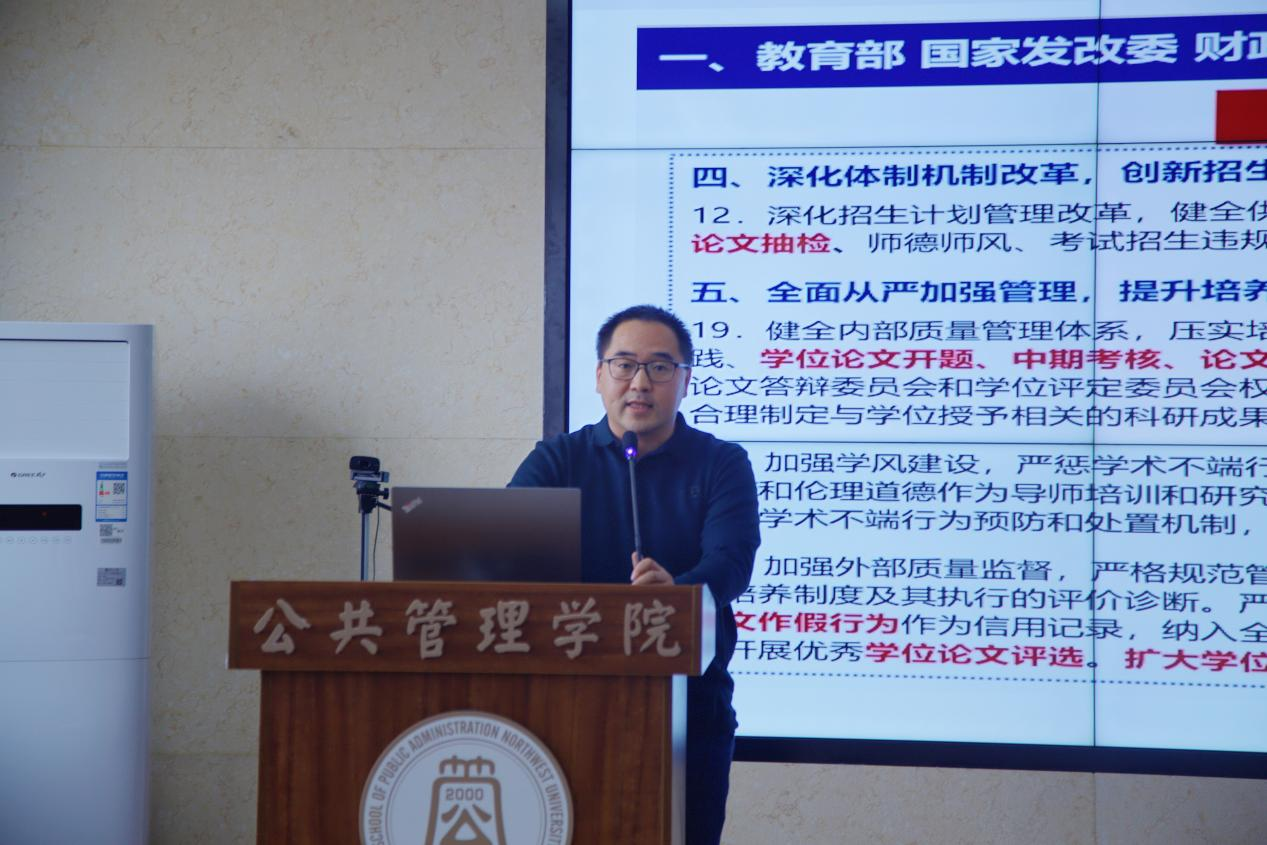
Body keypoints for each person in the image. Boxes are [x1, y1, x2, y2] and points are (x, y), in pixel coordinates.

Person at [509, 304, 760, 844]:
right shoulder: (557, 460)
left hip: (687, 709)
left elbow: (731, 563)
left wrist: (676, 596)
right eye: (624, 365)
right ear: (600, 376)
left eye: (660, 367)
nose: (640, 383)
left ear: (685, 381)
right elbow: (501, 555)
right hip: (566, 704)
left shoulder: (721, 463)